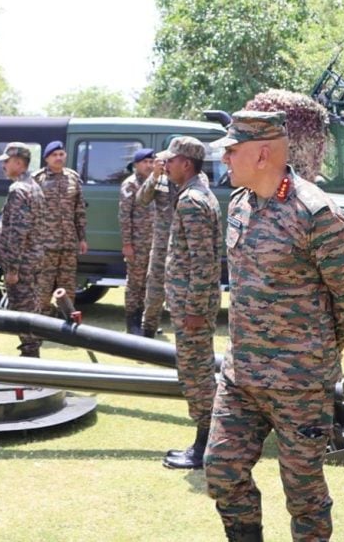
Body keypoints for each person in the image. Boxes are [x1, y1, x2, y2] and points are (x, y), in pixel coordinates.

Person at [204, 111, 344, 542]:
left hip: (300, 382)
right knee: (221, 470)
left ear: (261, 154)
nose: (224, 159)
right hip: (241, 378)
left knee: (304, 492)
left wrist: (315, 353)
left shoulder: (315, 213)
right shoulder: (239, 204)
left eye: (232, 150)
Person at [160, 136, 221, 470]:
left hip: (191, 306)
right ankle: (205, 442)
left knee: (196, 376)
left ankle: (205, 447)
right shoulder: (196, 194)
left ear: (187, 163)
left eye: (171, 160)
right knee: (196, 373)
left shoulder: (192, 201)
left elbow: (202, 261)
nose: (165, 165)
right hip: (190, 303)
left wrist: (195, 308)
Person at [0, 142, 48, 357]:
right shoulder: (34, 186)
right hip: (33, 260)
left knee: (22, 312)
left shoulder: (19, 190)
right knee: (31, 308)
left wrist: (12, 269)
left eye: (6, 161)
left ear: (18, 163)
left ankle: (30, 358)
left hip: (22, 263)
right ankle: (31, 354)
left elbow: (17, 232)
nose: (3, 166)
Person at [34, 140, 87, 304]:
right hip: (45, 245)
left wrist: (82, 238)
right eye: (54, 155)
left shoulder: (73, 178)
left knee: (68, 287)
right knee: (43, 286)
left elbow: (79, 211)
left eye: (61, 154)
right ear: (47, 159)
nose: (58, 158)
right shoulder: (37, 179)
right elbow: (30, 212)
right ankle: (40, 322)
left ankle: (67, 322)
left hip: (68, 244)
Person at [137, 150, 178, 338]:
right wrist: (155, 175)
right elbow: (142, 199)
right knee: (153, 292)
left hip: (183, 246)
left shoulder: (195, 178)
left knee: (180, 293)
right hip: (162, 245)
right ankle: (148, 333)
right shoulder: (160, 179)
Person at [119, 148, 156, 335]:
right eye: (145, 162)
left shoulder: (157, 183)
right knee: (135, 284)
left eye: (151, 161)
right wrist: (127, 244)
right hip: (137, 243)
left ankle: (145, 321)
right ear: (136, 165)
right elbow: (125, 216)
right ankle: (132, 323)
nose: (149, 165)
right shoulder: (131, 184)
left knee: (151, 284)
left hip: (154, 244)